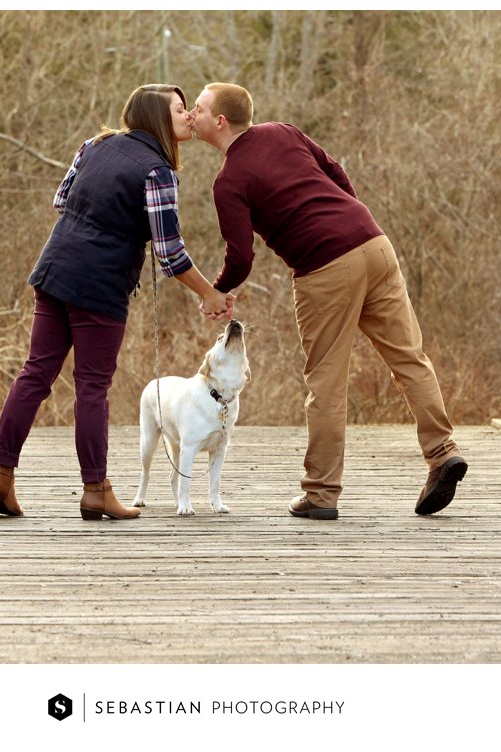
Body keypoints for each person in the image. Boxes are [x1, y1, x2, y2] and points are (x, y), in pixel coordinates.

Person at [190, 82, 467, 520]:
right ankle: (442, 451)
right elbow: (336, 173)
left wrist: (217, 291)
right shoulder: (283, 131)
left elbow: (241, 256)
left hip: (325, 268)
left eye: (199, 110)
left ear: (219, 122)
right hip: (373, 243)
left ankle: (321, 494)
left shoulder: (228, 181)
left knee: (326, 383)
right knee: (410, 359)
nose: (191, 116)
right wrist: (346, 220)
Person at [0, 84, 233, 521]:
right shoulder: (158, 171)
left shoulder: (94, 145)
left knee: (35, 372)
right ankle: (96, 489)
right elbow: (170, 252)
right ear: (157, 117)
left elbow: (63, 200)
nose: (189, 115)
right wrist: (209, 293)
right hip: (99, 284)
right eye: (180, 109)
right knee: (92, 387)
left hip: (56, 264)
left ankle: (0, 475)